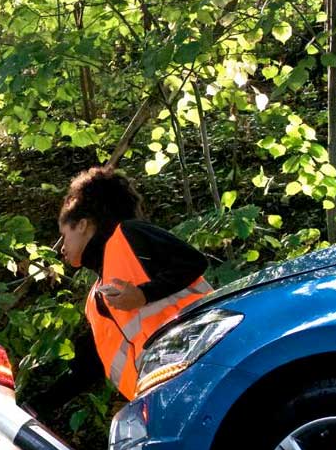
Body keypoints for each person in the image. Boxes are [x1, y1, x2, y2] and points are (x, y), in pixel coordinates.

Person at [19, 167, 214, 419]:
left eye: (63, 235)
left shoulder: (128, 234)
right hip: (167, 401)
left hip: (205, 367)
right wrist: (36, 408)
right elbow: (90, 367)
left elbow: (193, 261)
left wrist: (144, 294)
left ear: (82, 225)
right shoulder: (97, 297)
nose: (62, 248)